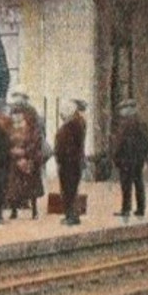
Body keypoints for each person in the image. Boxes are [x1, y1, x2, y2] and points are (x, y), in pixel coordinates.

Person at [5, 90, 46, 219]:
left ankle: (34, 211)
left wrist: (26, 154)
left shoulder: (32, 116)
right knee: (14, 187)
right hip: (14, 159)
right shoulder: (10, 119)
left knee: (31, 186)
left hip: (30, 158)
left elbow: (36, 138)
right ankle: (14, 210)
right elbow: (7, 139)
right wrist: (13, 153)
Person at [112, 98, 148, 218]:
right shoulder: (142, 123)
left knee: (126, 185)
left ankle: (126, 209)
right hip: (137, 160)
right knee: (139, 184)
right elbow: (146, 142)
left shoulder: (124, 124)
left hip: (125, 160)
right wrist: (143, 156)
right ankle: (141, 208)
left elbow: (119, 143)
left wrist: (116, 157)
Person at [54, 97, 87, 226]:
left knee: (69, 190)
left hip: (68, 164)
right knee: (71, 190)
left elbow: (65, 146)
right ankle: (71, 215)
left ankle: (71, 216)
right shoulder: (78, 123)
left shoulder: (70, 126)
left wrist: (60, 157)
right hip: (73, 163)